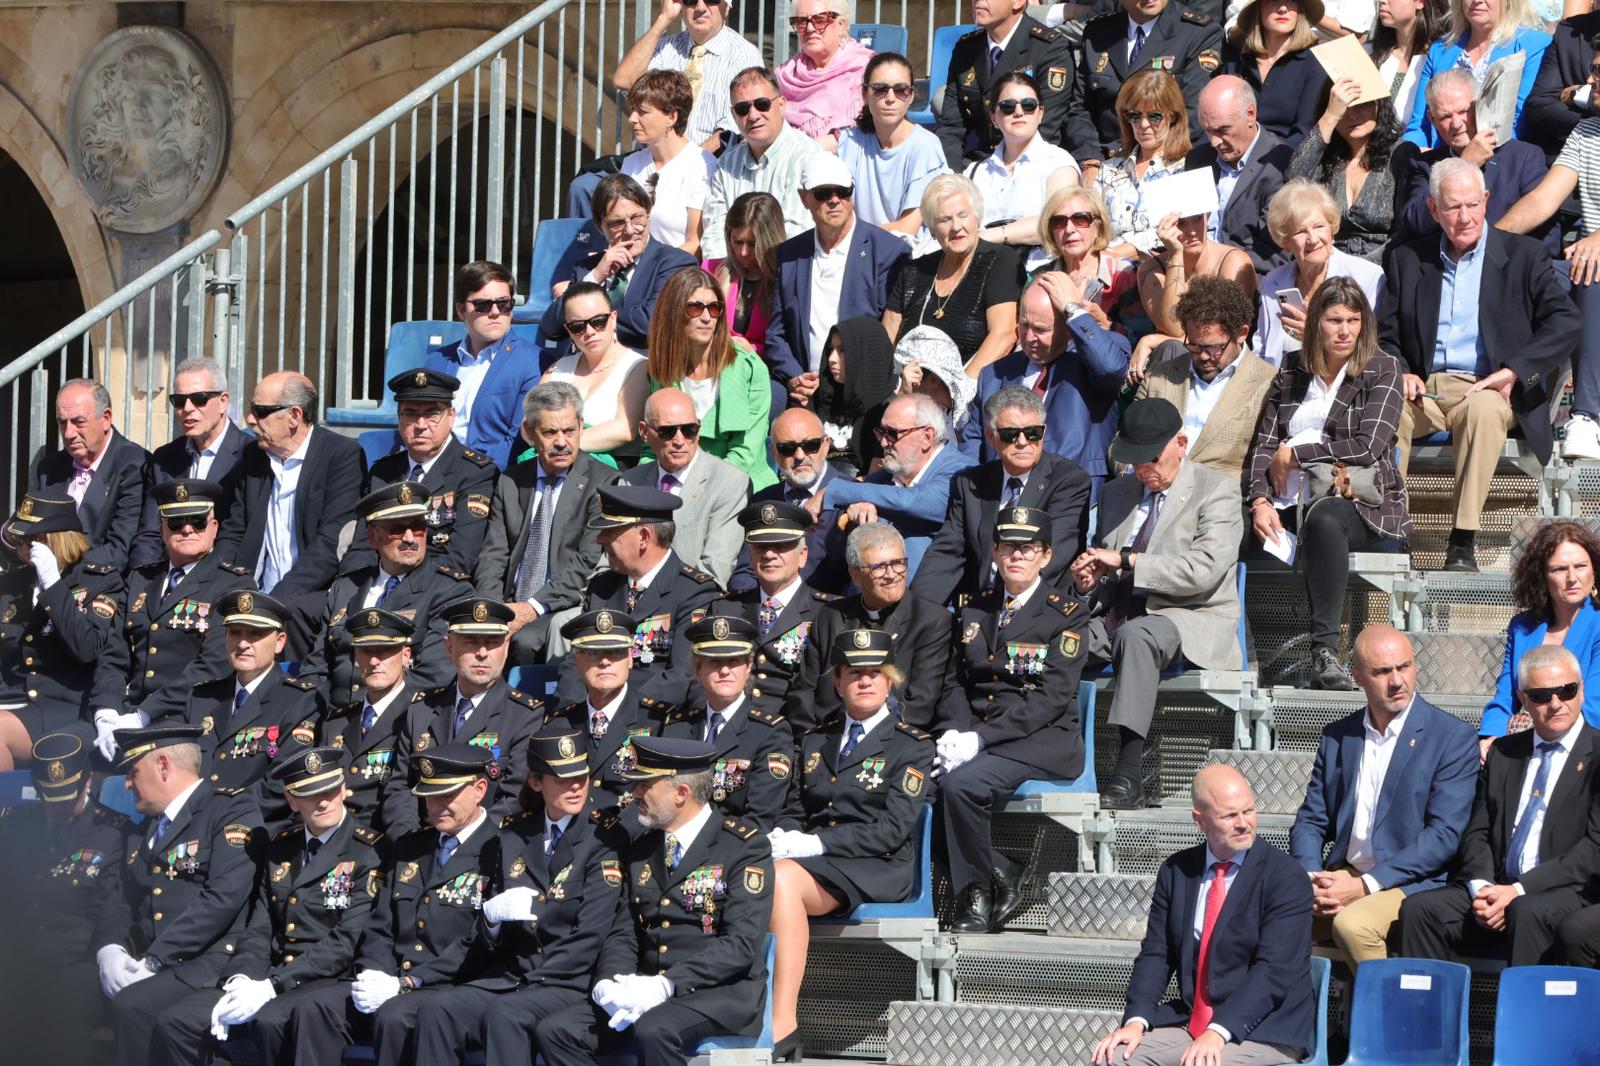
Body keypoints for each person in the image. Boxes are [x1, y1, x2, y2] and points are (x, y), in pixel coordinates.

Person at [1383, 158, 1580, 572]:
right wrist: (1400, 370)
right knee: (1385, 408)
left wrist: (1514, 370)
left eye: (1472, 204)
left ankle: (1462, 540)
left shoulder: (1523, 255)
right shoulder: (1407, 259)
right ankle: (1390, 531)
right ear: (1434, 210)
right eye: (1453, 208)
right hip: (1426, 390)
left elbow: (1566, 322)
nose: (1465, 216)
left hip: (1488, 386)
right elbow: (1384, 334)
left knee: (1484, 410)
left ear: (1487, 200)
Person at [533, 736, 774, 1066]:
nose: (634, 795)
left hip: (717, 993)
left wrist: (667, 984)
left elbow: (741, 945)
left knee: (654, 1031)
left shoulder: (743, 847)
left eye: (645, 785)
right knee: (557, 1030)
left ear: (681, 793)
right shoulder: (642, 848)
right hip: (645, 990)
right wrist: (610, 981)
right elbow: (626, 929)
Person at [156, 746, 386, 1066]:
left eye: (331, 790)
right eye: (310, 793)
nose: (323, 801)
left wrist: (273, 986)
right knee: (178, 1022)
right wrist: (242, 977)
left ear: (344, 788)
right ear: (292, 800)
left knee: (271, 1022)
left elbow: (346, 942)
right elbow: (261, 925)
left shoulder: (368, 851)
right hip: (268, 975)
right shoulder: (281, 847)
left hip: (325, 982)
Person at [409, 728, 625, 1066]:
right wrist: (491, 923)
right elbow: (492, 927)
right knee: (437, 1009)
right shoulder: (514, 834)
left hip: (566, 981)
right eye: (561, 777)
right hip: (511, 976)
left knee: (505, 1014)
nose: (574, 786)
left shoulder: (604, 838)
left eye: (580, 776)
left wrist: (534, 981)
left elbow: (591, 934)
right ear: (537, 782)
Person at [1071, 399, 1244, 810]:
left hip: (1188, 615)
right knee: (1057, 641)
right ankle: (1054, 756)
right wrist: (1087, 582)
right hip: (1115, 614)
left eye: (1151, 459)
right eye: (1134, 462)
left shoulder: (1216, 490)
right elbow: (1104, 571)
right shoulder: (1117, 493)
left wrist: (1129, 561)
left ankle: (1128, 774)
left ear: (1180, 444)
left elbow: (1203, 570)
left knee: (1137, 635)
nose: (1144, 471)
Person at [770, 629, 933, 1055]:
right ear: (837, 682)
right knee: (760, 875)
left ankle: (782, 1023)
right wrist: (786, 834)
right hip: (817, 863)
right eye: (854, 673)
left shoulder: (911, 746)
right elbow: (795, 807)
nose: (865, 681)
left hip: (877, 865)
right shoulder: (814, 740)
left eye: (875, 673)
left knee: (782, 880)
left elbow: (892, 830)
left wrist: (816, 845)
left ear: (890, 680)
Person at [1246, 279, 1412, 690]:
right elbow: (1263, 444)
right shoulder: (1290, 368)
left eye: (1353, 321)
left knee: (1324, 520)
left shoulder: (1382, 367)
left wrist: (1297, 454)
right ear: (1315, 322)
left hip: (1359, 506)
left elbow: (1368, 445)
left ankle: (1324, 651)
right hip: (1286, 505)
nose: (1344, 331)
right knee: (1224, 530)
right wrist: (1259, 501)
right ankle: (1248, 655)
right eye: (1334, 319)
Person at [1091, 765, 1315, 1066]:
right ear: (1200, 821)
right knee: (1113, 1059)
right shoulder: (1177, 871)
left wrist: (1219, 1031)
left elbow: (1273, 970)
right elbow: (1157, 954)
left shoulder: (1286, 876)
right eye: (1229, 816)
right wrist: (1136, 1020)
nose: (1243, 823)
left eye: (1248, 811)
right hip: (1191, 1020)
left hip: (1264, 1028)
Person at [937, 506, 1089, 933]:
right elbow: (955, 680)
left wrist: (980, 739)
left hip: (1041, 739)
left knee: (961, 785)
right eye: (1008, 547)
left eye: (1028, 548)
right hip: (981, 734)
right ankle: (1003, 872)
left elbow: (1051, 698)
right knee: (918, 779)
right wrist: (956, 731)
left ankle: (975, 895)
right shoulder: (974, 607)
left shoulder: (1066, 613)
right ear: (995, 552)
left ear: (1045, 556)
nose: (1016, 556)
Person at [1398, 645, 1600, 966]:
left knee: (1526, 911)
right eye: (1542, 695)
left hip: (1566, 891)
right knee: (1420, 911)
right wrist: (1483, 888)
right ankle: (1425, 1015)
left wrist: (1518, 891)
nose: (1556, 704)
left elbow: (1593, 850)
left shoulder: (1597, 754)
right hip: (1498, 888)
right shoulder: (1504, 752)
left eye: (1566, 690)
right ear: (1522, 699)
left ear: (1582, 689)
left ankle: (1526, 1017)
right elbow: (1477, 830)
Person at [1291, 626, 1480, 964]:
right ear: (1358, 677)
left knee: (1355, 925)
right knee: (1265, 912)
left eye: (1404, 667)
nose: (1397, 681)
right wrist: (1310, 878)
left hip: (1413, 880)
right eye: (1382, 672)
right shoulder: (1339, 736)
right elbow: (1311, 818)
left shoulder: (1451, 738)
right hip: (1345, 873)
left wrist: (1365, 885)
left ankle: (1388, 1015)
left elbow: (1443, 837)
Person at [308, 744, 503, 1066]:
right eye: (429, 796)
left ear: (479, 789)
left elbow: (480, 943)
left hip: (455, 985)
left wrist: (408, 982)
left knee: (395, 1016)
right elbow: (382, 924)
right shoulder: (412, 846)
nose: (436, 806)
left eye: (447, 796)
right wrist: (374, 973)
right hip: (396, 979)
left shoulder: (500, 848)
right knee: (314, 1007)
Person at [94, 722, 263, 1066]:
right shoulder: (141, 827)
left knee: (133, 1006)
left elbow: (222, 899)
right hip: (146, 960)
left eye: (133, 772)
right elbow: (121, 896)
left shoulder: (230, 810)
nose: (127, 783)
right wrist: (109, 949)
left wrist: (156, 960)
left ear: (164, 766)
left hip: (206, 962)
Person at [91, 479, 255, 756]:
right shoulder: (140, 579)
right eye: (177, 522)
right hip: (125, 712)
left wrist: (144, 714)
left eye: (198, 522)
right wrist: (105, 712)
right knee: (66, 751)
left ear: (214, 528)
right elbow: (113, 655)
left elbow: (213, 666)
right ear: (162, 530)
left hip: (186, 720)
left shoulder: (234, 587)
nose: (187, 529)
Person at [0, 732, 136, 1065]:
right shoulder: (14, 823)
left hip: (75, 960)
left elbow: (113, 904)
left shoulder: (113, 831)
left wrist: (110, 951)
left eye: (67, 797)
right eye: (51, 798)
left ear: (88, 782)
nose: (59, 807)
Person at [214, 372, 366, 656]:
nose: (249, 419)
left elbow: (330, 544)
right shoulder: (254, 457)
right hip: (254, 588)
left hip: (310, 594)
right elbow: (234, 532)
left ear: (294, 415)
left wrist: (275, 601)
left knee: (292, 616)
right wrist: (221, 584)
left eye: (260, 411)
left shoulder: (341, 455)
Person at [1497, 49, 1600, 461]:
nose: (1593, 79)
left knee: (1587, 268)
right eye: (1594, 69)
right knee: (1531, 272)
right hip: (1588, 255)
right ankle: (1518, 394)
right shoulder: (1587, 131)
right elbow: (1543, 200)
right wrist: (1489, 242)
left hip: (1593, 260)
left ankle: (1587, 414)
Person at [295, 483, 473, 706]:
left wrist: (369, 712)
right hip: (333, 720)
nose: (409, 538)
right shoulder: (346, 586)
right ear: (373, 538)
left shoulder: (449, 590)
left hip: (397, 724)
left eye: (418, 527)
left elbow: (432, 676)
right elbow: (317, 668)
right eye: (397, 529)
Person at [764, 153, 912, 414]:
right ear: (804, 197)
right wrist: (793, 376)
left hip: (862, 397)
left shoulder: (888, 251)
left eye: (843, 192)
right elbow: (776, 334)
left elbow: (889, 333)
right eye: (823, 193)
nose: (834, 200)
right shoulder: (789, 254)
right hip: (805, 395)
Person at [478, 381, 614, 664]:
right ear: (529, 432)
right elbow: (494, 555)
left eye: (569, 431)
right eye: (550, 432)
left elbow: (586, 563)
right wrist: (492, 612)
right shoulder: (511, 481)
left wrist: (531, 608)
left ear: (581, 426)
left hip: (559, 604)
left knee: (524, 642)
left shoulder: (602, 483)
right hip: (509, 602)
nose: (562, 442)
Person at [919, 386, 1092, 606]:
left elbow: (1053, 556)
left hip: (1039, 607)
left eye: (1032, 433)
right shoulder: (972, 483)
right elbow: (945, 555)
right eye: (1011, 435)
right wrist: (915, 614)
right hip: (978, 606)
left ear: (1044, 433)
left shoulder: (1068, 481)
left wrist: (1002, 606)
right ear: (991, 436)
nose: (1022, 442)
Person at [386, 598, 542, 830]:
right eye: (470, 642)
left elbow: (515, 799)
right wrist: (411, 840)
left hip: (484, 851)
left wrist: (461, 842)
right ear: (449, 647)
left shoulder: (523, 715)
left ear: (507, 645)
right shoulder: (422, 709)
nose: (482, 653)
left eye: (492, 643)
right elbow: (399, 788)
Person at [966, 278, 1130, 492]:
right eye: (1024, 324)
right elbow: (972, 440)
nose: (1029, 337)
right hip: (1002, 498)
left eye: (1041, 329)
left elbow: (1110, 368)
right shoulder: (993, 374)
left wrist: (1073, 309)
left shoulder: (1092, 361)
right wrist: (973, 492)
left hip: (1071, 498)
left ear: (1068, 327)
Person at [178, 590, 322, 833]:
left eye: (255, 634)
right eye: (235, 633)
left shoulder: (299, 701)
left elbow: (282, 784)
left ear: (280, 642)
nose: (243, 643)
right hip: (192, 826)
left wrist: (216, 814)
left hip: (253, 831)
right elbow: (181, 771)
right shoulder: (201, 697)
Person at [790, 524, 954, 734]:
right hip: (823, 739)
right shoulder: (830, 616)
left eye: (897, 563)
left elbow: (919, 705)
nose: (891, 574)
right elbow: (804, 691)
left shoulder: (931, 621)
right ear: (855, 575)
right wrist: (810, 743)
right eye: (878, 567)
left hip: (888, 744)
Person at [0, 494, 123, 771]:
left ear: (53, 540)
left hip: (63, 705)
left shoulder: (100, 581)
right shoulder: (11, 584)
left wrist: (53, 586)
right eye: (19, 539)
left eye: (29, 539)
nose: (21, 546)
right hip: (11, 700)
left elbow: (88, 649)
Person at [570, 486, 722, 704]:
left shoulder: (694, 592)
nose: (600, 539)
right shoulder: (601, 588)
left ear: (643, 537)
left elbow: (682, 675)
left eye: (611, 531)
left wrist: (618, 709)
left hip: (650, 718)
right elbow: (575, 663)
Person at [804, 393, 977, 577]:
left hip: (927, 601)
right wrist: (858, 511)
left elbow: (912, 503)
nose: (884, 442)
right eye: (881, 433)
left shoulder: (963, 473)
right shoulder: (887, 477)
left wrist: (833, 490)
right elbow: (868, 492)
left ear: (927, 437)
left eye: (893, 434)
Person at [355, 368, 500, 575]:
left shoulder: (475, 473)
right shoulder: (383, 471)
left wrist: (398, 591)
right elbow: (362, 546)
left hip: (435, 593)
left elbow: (460, 557)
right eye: (411, 413)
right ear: (399, 417)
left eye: (432, 414)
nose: (420, 425)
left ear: (451, 416)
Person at [542, 175, 699, 366]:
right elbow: (551, 328)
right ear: (600, 227)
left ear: (648, 213)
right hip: (587, 371)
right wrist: (594, 278)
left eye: (637, 218)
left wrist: (587, 315)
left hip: (641, 371)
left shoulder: (676, 263)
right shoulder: (588, 269)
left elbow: (649, 323)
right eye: (617, 223)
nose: (631, 230)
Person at [1136, 276, 1277, 488]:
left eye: (1214, 348)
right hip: (1150, 494)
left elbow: (1265, 463)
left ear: (1242, 333)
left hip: (1220, 503)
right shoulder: (1159, 376)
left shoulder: (1268, 382)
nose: (1203, 356)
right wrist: (1141, 469)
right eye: (1194, 345)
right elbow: (1122, 445)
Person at [659, 614, 796, 828]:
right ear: (697, 670)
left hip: (729, 850)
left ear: (749, 666)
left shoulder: (770, 732)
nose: (724, 671)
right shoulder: (677, 726)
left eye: (734, 661)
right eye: (714, 662)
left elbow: (759, 819)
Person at [644, 268, 776, 492]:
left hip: (739, 485)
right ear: (673, 312)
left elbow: (746, 452)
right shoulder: (662, 369)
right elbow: (654, 444)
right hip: (676, 480)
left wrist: (697, 490)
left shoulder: (749, 366)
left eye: (714, 308)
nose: (706, 317)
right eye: (695, 308)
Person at [881, 176, 1025, 375]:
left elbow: (1004, 335)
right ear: (932, 229)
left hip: (968, 394)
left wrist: (959, 390)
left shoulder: (1000, 260)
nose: (956, 226)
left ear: (977, 218)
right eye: (945, 219)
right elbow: (885, 341)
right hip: (907, 391)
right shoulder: (913, 271)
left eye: (963, 215)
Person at [707, 502, 839, 720]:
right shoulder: (725, 608)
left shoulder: (827, 613)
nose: (769, 554)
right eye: (760, 547)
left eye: (781, 546)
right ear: (750, 556)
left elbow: (825, 697)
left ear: (803, 555)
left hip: (793, 732)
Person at [545, 608, 676, 822]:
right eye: (593, 653)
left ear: (630, 659)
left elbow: (660, 799)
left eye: (615, 652)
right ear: (576, 661)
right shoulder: (559, 723)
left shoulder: (657, 720)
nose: (605, 661)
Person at [1478, 522, 1600, 749]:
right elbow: (1506, 696)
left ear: (1594, 570)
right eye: (1559, 569)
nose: (1572, 577)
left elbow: (1593, 706)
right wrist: (1491, 738)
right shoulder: (1522, 627)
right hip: (1524, 742)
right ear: (1542, 576)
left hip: (1584, 748)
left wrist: (1523, 737)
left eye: (1581, 566)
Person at [1403, 67, 1555, 250]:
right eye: (1445, 116)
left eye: (1464, 111)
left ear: (1481, 106)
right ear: (1432, 119)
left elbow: (1548, 237)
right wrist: (1464, 164)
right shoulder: (1424, 165)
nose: (1457, 124)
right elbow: (1416, 223)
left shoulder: (1523, 157)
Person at [620, 387, 753, 586]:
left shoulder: (729, 482)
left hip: (687, 606)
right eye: (667, 431)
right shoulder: (630, 482)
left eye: (689, 430)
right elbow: (612, 558)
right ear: (644, 432)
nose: (680, 441)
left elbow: (714, 570)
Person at [1068, 0, 1224, 167]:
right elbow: (1080, 109)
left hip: (1167, 160)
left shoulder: (1198, 32)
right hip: (1103, 160)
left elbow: (1193, 113)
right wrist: (1090, 161)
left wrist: (1140, 160)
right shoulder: (1099, 33)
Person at [317, 609, 430, 834]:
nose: (375, 661)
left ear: (406, 655)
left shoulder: (422, 717)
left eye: (386, 651)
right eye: (367, 651)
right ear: (356, 658)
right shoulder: (336, 722)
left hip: (382, 840)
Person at [423, 261, 542, 469]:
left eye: (504, 303)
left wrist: (474, 477)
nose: (495, 312)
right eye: (483, 305)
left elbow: (517, 440)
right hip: (435, 471)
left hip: (491, 478)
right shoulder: (438, 360)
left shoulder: (533, 361)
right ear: (461, 310)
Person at [1255, 180, 1386, 368]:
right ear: (1285, 240)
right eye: (1300, 231)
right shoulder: (1273, 281)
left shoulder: (1366, 277)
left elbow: (1369, 351)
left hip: (1341, 388)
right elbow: (1261, 349)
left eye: (1319, 227)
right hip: (1280, 387)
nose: (1313, 239)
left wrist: (1314, 336)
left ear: (1332, 228)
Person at [135, 357, 250, 568]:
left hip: (223, 577)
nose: (187, 408)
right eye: (179, 401)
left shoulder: (249, 457)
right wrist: (143, 581)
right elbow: (150, 532)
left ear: (223, 401)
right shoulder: (164, 459)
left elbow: (242, 536)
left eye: (199, 399)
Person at [25, 378, 149, 574]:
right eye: (62, 422)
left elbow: (121, 549)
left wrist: (59, 571)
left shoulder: (135, 465)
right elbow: (30, 533)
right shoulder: (49, 469)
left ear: (106, 418)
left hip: (103, 587)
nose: (68, 433)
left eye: (78, 422)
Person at [1286, 80, 1417, 264]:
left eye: (1361, 104)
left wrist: (1359, 270)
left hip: (1382, 272)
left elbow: (1404, 231)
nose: (1352, 115)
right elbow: (1293, 184)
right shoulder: (1325, 159)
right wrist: (1330, 116)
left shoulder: (1401, 154)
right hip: (1327, 267)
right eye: (1343, 107)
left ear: (1378, 104)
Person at [609, 0, 761, 156]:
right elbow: (624, 80)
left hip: (712, 167)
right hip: (655, 163)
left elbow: (731, 128)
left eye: (711, 0)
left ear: (727, 8)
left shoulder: (744, 55)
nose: (700, 8)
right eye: (690, 1)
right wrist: (664, 18)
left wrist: (685, 165)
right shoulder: (666, 47)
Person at [938, 0, 1078, 169]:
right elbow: (951, 127)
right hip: (983, 161)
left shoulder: (1049, 49)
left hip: (1033, 164)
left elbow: (1045, 129)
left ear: (1018, 2)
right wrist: (949, 177)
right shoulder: (966, 48)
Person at [701, 69, 822, 259]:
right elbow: (715, 231)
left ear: (781, 105)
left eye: (762, 104)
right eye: (742, 109)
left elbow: (797, 232)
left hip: (785, 272)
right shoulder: (727, 164)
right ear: (733, 115)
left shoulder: (807, 157)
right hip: (733, 274)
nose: (753, 115)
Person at [730, 407, 852, 596]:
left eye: (810, 445)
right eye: (787, 449)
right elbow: (746, 571)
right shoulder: (763, 501)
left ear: (826, 444)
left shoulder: (853, 496)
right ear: (773, 452)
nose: (800, 456)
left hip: (829, 615)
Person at [968, 72, 1083, 272]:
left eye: (1028, 105)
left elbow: (1056, 223)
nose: (1018, 112)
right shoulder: (975, 171)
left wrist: (990, 235)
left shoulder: (1059, 163)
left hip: (1039, 272)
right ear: (993, 117)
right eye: (1008, 106)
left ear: (1040, 113)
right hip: (979, 270)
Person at [1401, 0, 1551, 150]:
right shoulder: (1439, 51)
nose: (1477, 1)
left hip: (1500, 159)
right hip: (1438, 160)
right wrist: (1410, 155)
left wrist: (1469, 160)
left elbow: (1519, 125)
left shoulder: (1534, 46)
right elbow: (1419, 125)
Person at [1187, 76, 1296, 274]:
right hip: (1194, 268)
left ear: (1250, 114)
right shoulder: (1199, 159)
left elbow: (1275, 253)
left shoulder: (1279, 165)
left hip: (1244, 277)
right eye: (1208, 131)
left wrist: (1218, 266)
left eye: (1222, 130)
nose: (1214, 142)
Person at [1132, 209, 1259, 377]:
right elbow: (1175, 329)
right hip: (1177, 367)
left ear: (1207, 218)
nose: (1192, 231)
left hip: (1223, 366)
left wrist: (1151, 340)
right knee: (1171, 349)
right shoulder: (1151, 270)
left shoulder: (1234, 261)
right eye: (1181, 223)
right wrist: (1176, 257)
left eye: (1198, 218)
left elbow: (1221, 337)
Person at [838, 52, 950, 241]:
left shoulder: (925, 146)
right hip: (859, 250)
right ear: (864, 94)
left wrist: (852, 239)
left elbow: (907, 228)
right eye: (880, 89)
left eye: (901, 90)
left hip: (909, 255)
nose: (890, 98)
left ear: (912, 95)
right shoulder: (850, 141)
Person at [538, 283, 647, 466]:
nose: (589, 332)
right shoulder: (558, 369)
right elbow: (529, 423)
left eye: (598, 321)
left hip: (612, 476)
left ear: (613, 319)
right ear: (568, 330)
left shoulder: (638, 366)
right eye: (578, 326)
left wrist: (553, 442)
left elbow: (625, 429)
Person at [1093, 71, 1195, 259]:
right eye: (1135, 116)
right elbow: (1091, 224)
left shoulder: (1187, 169)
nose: (1144, 124)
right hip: (1102, 268)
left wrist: (1113, 255)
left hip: (1157, 272)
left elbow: (1176, 232)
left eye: (1154, 116)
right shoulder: (1108, 170)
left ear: (1172, 116)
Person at [620, 71, 717, 257]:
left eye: (642, 111)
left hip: (675, 274)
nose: (632, 118)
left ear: (671, 118)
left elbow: (694, 244)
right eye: (633, 109)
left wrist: (650, 267)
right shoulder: (631, 164)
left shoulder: (702, 165)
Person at [1030, 185, 1139, 331]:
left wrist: (1105, 324)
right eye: (1059, 222)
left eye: (1080, 219)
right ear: (1051, 232)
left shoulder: (1124, 273)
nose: (1069, 229)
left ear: (1098, 228)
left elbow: (1139, 341)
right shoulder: (1040, 277)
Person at [1220, 0, 1328, 144]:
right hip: (1231, 154)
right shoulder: (1238, 60)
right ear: (1258, 9)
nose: (1283, 8)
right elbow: (1219, 119)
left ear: (1300, 10)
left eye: (1291, 1)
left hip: (1285, 159)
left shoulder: (1314, 63)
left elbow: (1305, 131)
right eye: (1273, 0)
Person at [776, 0, 875, 149]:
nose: (809, 28)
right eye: (801, 22)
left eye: (820, 20)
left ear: (841, 25)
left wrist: (811, 147)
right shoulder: (786, 74)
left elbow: (871, 132)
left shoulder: (867, 69)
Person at [808, 316, 898, 477]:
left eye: (842, 351)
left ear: (866, 355)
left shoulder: (887, 411)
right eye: (831, 349)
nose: (831, 359)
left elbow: (876, 479)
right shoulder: (819, 400)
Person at [706, 191, 786, 358]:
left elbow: (788, 343)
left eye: (753, 244)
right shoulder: (710, 270)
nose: (743, 252)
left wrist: (753, 349)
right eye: (737, 241)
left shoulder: (785, 280)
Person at [1523, 8, 1600, 161]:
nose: (1590, 80)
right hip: (1567, 157)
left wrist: (1582, 95)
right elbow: (1539, 106)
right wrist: (1588, 125)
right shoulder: (1569, 32)